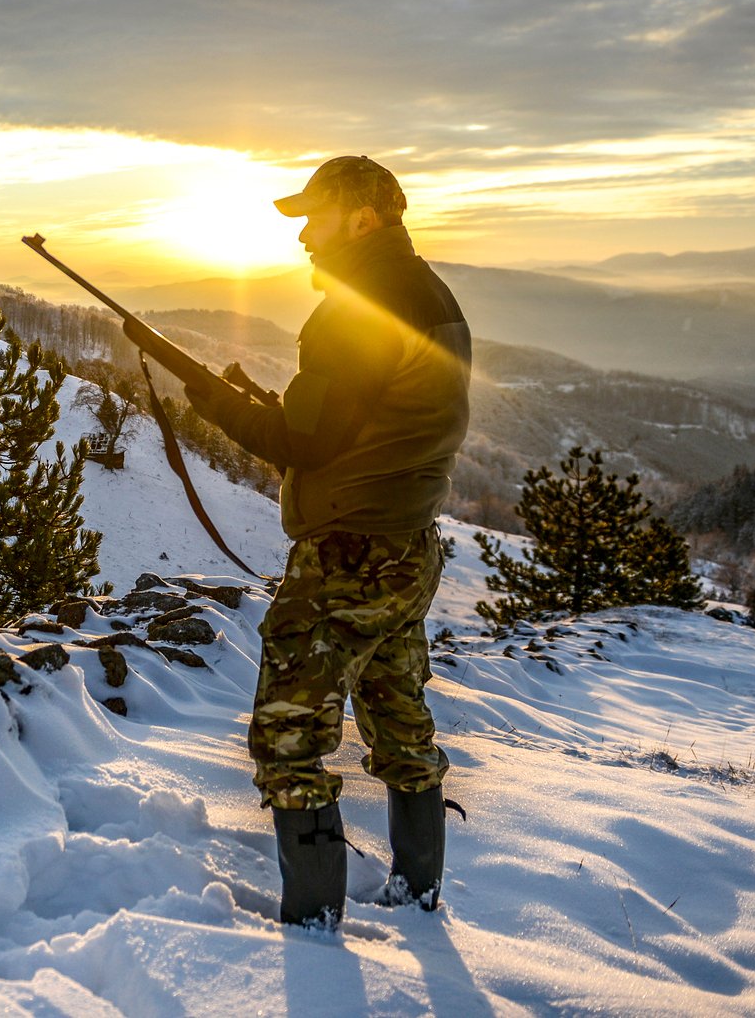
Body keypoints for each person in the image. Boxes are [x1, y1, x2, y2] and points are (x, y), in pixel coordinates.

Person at [149, 155, 471, 929]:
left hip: (350, 557)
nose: (302, 234)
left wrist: (211, 399)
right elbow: (365, 422)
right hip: (406, 546)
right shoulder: (427, 292)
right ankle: (418, 893)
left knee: (288, 736)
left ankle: (314, 928)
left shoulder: (355, 309)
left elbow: (304, 441)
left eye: (314, 216)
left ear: (361, 218)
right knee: (397, 716)